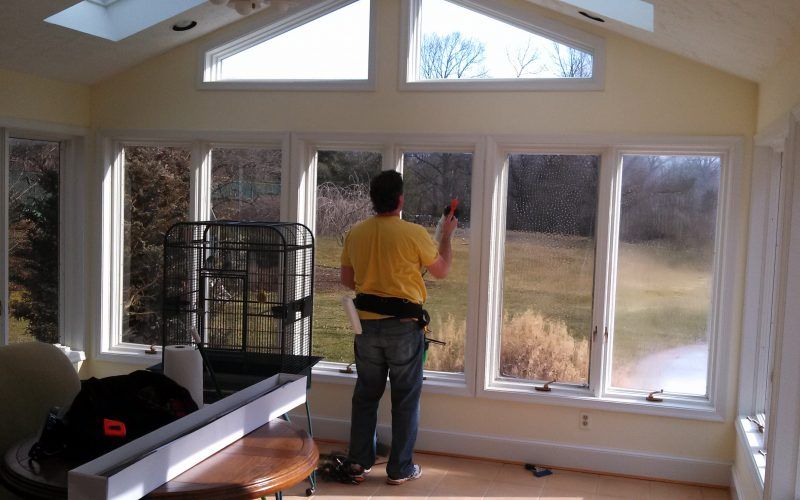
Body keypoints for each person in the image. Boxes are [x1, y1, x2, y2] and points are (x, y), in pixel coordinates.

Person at [340, 170, 457, 485]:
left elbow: (348, 281)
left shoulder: (356, 233)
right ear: (400, 199)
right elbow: (442, 270)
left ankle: (359, 462)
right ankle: (400, 469)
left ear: (373, 199)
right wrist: (446, 235)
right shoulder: (414, 234)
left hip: (366, 327)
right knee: (405, 398)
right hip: (404, 329)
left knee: (366, 395)